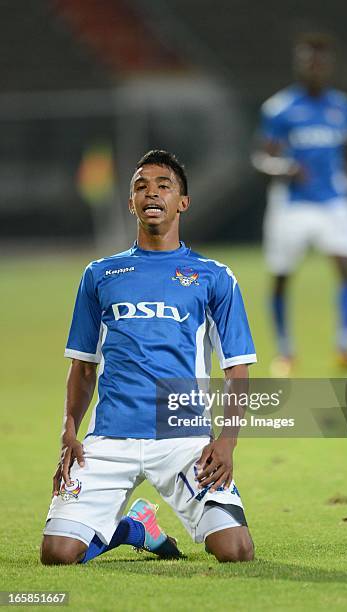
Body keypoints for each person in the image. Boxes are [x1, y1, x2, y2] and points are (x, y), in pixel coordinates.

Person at [41, 149, 256, 565]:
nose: (151, 193)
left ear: (182, 202)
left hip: (183, 439)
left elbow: (237, 370)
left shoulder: (214, 276)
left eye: (163, 186)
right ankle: (132, 529)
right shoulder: (100, 274)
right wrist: (69, 431)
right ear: (131, 202)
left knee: (235, 550)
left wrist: (227, 441)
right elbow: (83, 366)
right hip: (109, 440)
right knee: (58, 554)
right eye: (141, 186)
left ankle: (136, 524)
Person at [252, 32, 347, 375]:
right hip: (292, 204)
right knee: (282, 276)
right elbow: (260, 159)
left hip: (334, 201)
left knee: (345, 266)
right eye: (308, 60)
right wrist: (283, 167)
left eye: (320, 61)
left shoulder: (342, 106)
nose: (315, 67)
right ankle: (285, 350)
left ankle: (345, 345)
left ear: (329, 66)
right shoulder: (279, 108)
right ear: (299, 65)